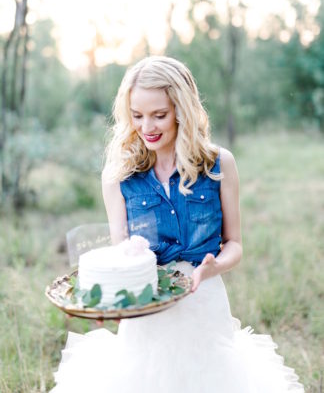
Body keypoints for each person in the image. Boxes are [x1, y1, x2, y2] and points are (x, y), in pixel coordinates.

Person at [51, 56, 304, 392]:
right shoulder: (119, 176)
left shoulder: (218, 165)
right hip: (146, 312)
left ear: (182, 111)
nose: (147, 127)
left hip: (204, 305)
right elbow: (122, 256)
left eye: (159, 115)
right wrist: (109, 304)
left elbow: (235, 244)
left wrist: (213, 267)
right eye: (137, 116)